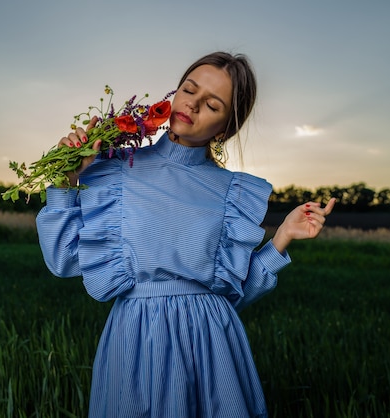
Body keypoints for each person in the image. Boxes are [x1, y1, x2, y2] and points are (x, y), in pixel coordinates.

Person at [36, 51, 336, 418]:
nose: (191, 105)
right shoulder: (115, 170)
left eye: (211, 104)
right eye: (188, 90)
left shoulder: (232, 192)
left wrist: (282, 238)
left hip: (213, 347)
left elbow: (232, 295)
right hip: (133, 342)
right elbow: (63, 260)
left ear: (225, 128)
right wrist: (64, 184)